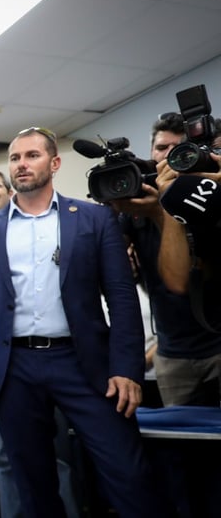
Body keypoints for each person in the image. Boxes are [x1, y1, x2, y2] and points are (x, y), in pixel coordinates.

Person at [0, 127, 166, 518]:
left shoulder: (94, 218)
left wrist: (126, 368)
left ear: (54, 163)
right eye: (15, 158)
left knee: (127, 471)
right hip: (13, 368)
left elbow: (120, 298)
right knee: (32, 483)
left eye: (32, 155)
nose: (22, 164)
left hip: (84, 362)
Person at [0, 169, 82, 518]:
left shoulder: (53, 229)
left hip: (56, 358)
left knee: (56, 450)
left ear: (9, 191)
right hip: (3, 368)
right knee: (5, 455)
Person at [113, 113, 221, 407]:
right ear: (151, 152)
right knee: (179, 444)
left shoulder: (209, 201)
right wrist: (112, 209)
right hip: (171, 353)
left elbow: (181, 281)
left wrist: (165, 210)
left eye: (179, 149)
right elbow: (108, 271)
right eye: (161, 148)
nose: (168, 156)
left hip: (216, 343)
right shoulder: (135, 211)